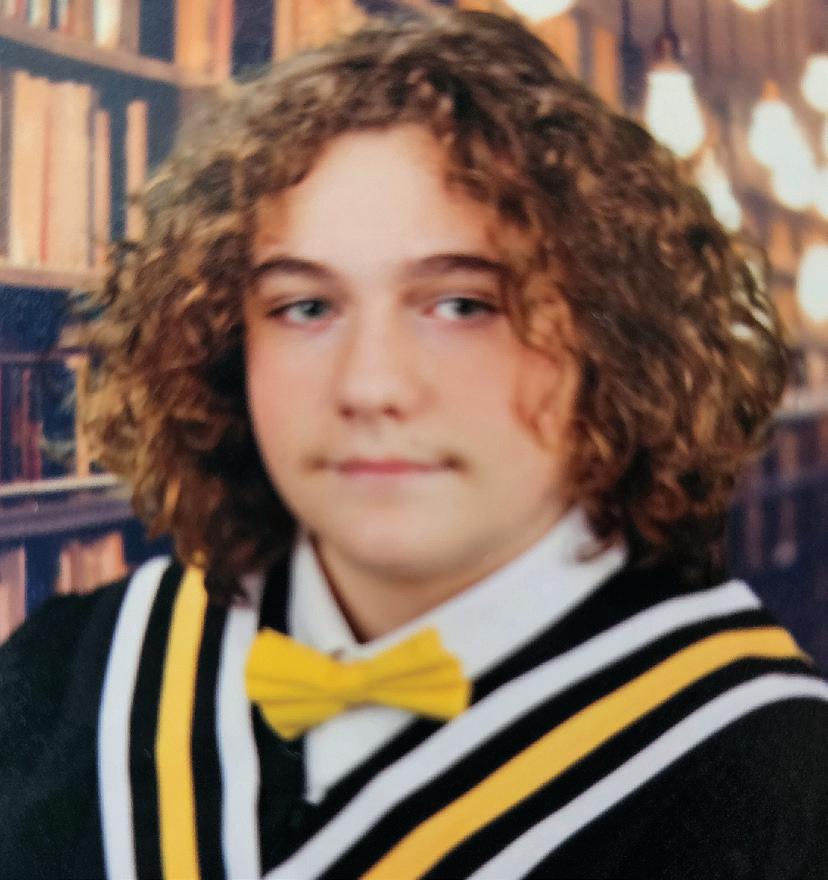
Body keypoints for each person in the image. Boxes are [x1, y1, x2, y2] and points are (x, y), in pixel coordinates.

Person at [1, 8, 826, 879]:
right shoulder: (75, 675)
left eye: (462, 305)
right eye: (305, 307)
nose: (371, 386)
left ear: (611, 341)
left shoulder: (766, 776)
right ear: (225, 346)